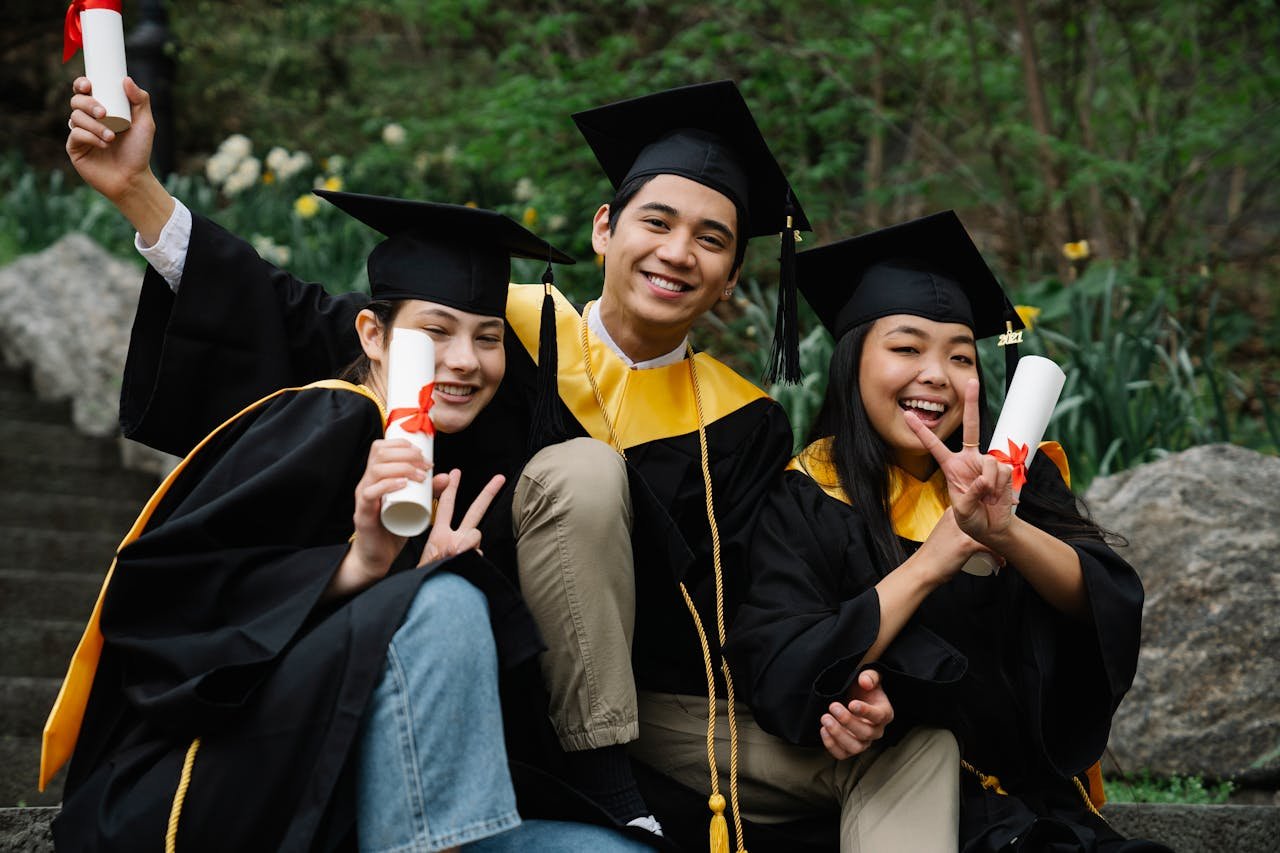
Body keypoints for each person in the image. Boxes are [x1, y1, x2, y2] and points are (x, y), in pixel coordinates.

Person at [65, 78, 947, 851]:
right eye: (657, 221)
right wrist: (140, 194)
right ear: (606, 229)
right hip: (486, 655)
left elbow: (759, 598)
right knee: (585, 471)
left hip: (661, 709)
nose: (679, 252)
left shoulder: (744, 419)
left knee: (896, 751)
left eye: (712, 240)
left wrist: (843, 687)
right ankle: (596, 781)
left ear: (730, 280)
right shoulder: (496, 328)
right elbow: (301, 322)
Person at [40, 191, 651, 852]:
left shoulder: (449, 462)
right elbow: (169, 599)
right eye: (436, 331)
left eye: (488, 337)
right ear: (371, 335)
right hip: (228, 780)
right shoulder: (330, 418)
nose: (467, 359)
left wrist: (419, 579)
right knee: (445, 604)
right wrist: (364, 567)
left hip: (368, 787)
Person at [726, 212, 1169, 852]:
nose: (936, 373)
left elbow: (1104, 606)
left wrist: (1008, 531)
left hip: (1032, 806)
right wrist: (932, 562)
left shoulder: (1012, 476)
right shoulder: (805, 496)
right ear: (853, 363)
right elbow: (783, 669)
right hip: (899, 799)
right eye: (906, 348)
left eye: (961, 355)